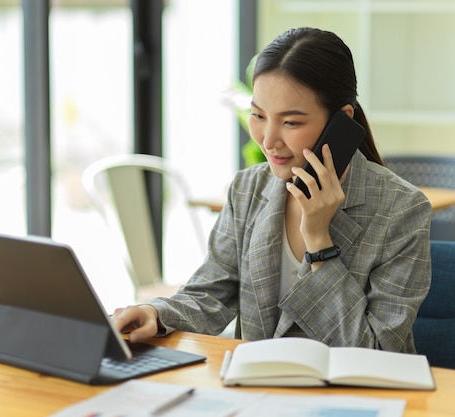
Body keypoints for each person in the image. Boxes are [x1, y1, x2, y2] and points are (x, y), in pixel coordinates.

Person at [113, 27, 431, 353]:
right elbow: (211, 293)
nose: (268, 140)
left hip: (356, 395)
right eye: (258, 116)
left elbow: (375, 351)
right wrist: (156, 312)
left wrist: (320, 243)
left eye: (291, 122)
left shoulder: (402, 209)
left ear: (341, 121)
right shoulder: (248, 189)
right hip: (256, 391)